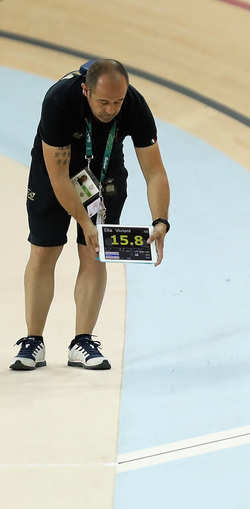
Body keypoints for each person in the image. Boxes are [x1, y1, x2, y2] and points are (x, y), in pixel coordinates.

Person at [10, 58, 171, 371]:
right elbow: (59, 178)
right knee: (46, 250)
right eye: (103, 102)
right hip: (54, 167)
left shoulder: (135, 105)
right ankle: (33, 341)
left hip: (103, 171)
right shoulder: (59, 100)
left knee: (95, 253)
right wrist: (85, 221)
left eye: (117, 102)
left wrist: (161, 221)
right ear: (85, 90)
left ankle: (82, 340)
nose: (111, 109)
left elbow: (155, 172)